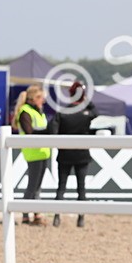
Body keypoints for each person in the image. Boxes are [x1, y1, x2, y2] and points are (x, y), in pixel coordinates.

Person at [50, 82, 96, 228]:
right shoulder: (86, 113)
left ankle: (57, 217)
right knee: (81, 187)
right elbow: (96, 111)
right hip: (81, 154)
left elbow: (53, 131)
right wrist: (85, 98)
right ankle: (81, 218)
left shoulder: (63, 112)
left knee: (61, 187)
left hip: (64, 154)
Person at [11, 83, 51, 225]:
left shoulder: (39, 111)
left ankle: (36, 213)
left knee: (37, 186)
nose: (43, 101)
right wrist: (48, 131)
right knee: (32, 186)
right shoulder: (26, 112)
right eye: (41, 98)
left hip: (43, 151)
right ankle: (26, 214)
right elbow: (29, 132)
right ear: (34, 98)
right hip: (33, 152)